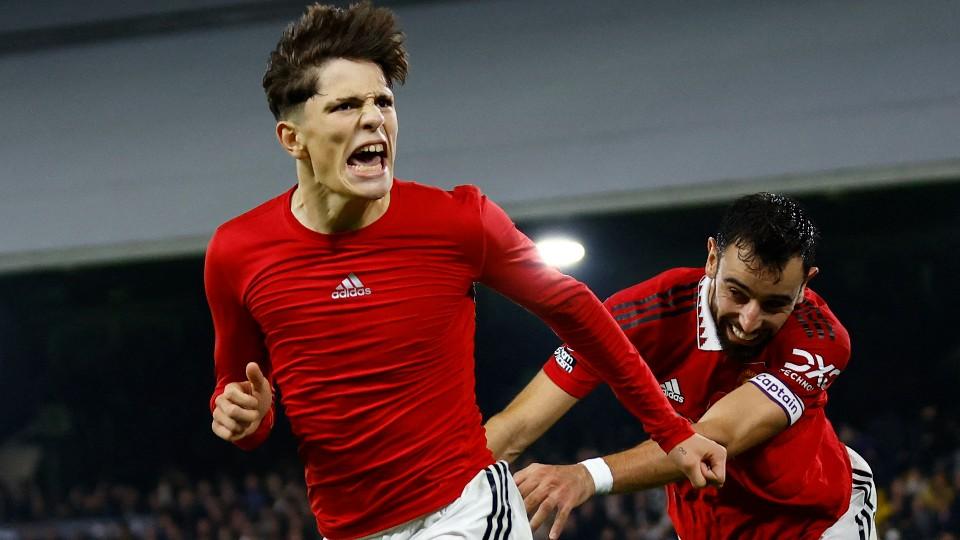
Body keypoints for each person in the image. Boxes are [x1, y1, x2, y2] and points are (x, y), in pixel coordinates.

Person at [203, 3, 725, 539]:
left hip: (465, 512)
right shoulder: (237, 252)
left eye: (383, 101)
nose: (374, 118)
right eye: (346, 105)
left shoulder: (459, 222)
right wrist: (244, 418)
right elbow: (239, 397)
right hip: (346, 530)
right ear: (293, 138)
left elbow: (578, 313)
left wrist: (671, 431)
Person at [484, 193, 878, 540]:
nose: (748, 321)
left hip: (816, 523)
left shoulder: (820, 338)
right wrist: (451, 485)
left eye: (774, 304)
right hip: (703, 528)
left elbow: (716, 439)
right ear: (712, 259)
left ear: (805, 285)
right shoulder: (643, 315)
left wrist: (587, 475)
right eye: (737, 293)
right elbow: (517, 425)